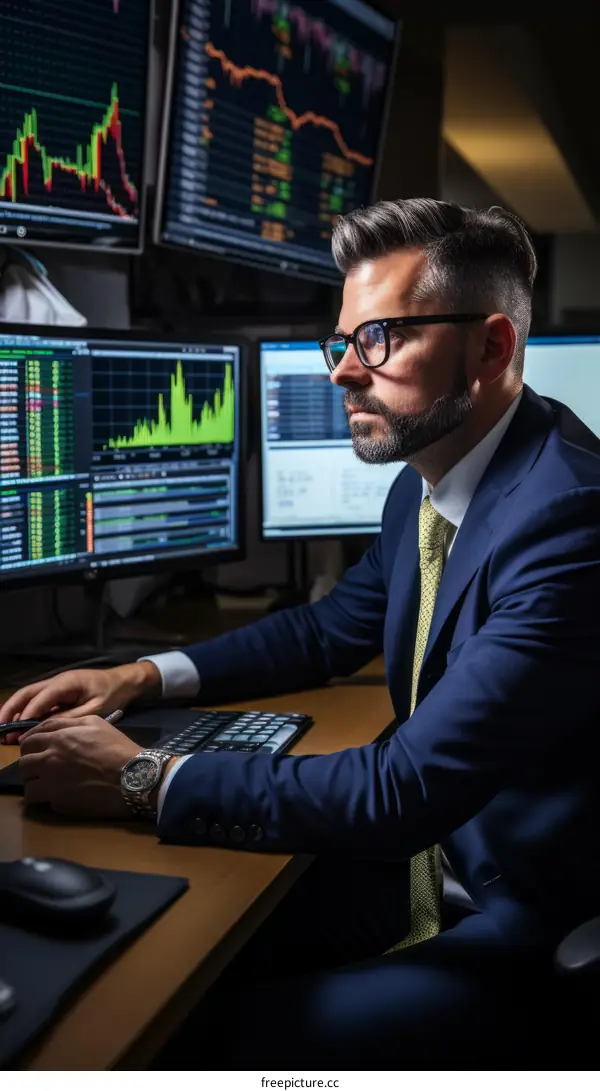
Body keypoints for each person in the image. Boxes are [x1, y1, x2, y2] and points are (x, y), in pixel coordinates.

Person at [2, 198, 600, 1068]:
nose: (343, 373)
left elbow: (402, 789)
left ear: (493, 347)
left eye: (380, 339)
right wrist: (139, 674)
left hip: (523, 916)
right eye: (344, 340)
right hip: (427, 865)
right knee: (158, 960)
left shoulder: (570, 520)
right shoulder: (430, 480)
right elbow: (328, 630)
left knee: (198, 1042)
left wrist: (142, 776)